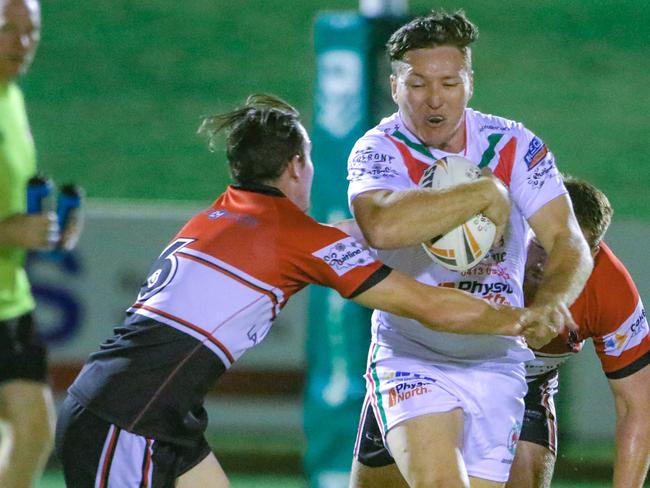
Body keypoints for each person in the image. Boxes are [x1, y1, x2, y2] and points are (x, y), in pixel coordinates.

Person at [54, 94, 556, 488]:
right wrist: (517, 320)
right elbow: (425, 303)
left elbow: (323, 239)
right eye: (310, 160)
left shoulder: (223, 215)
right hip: (126, 419)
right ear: (296, 166)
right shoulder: (295, 240)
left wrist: (410, 220)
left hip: (149, 410)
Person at [346, 10, 593, 488]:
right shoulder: (378, 148)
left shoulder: (514, 143)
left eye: (449, 83)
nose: (434, 100)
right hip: (412, 355)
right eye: (417, 84)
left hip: (496, 359)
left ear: (470, 83)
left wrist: (551, 303)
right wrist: (485, 194)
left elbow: (568, 240)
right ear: (395, 85)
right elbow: (380, 225)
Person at [507, 177, 650, 488]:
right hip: (446, 368)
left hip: (525, 388)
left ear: (593, 254)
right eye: (543, 244)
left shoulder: (612, 290)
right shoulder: (488, 244)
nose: (550, 265)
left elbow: (636, 405)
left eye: (570, 255)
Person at [0, 1, 64, 486]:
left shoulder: (12, 96)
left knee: (35, 430)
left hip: (10, 298)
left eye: (31, 31)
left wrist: (45, 227)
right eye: (7, 29)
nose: (22, 42)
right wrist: (9, 232)